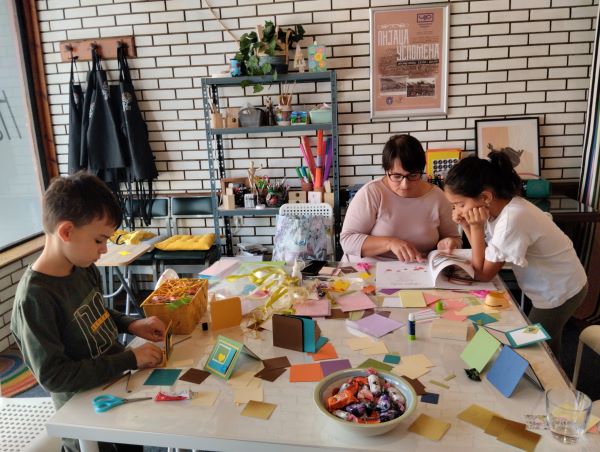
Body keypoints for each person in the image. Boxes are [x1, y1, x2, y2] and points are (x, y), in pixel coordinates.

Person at [11, 172, 166, 452]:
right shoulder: (35, 299)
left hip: (119, 389)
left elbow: (97, 311)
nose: (104, 249)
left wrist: (131, 325)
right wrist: (130, 357)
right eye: (99, 240)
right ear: (66, 232)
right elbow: (55, 376)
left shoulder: (82, 267)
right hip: (86, 418)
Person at [444, 152, 588, 358]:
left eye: (460, 204)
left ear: (485, 197)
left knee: (529, 347)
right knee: (548, 341)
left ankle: (549, 375)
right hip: (554, 286)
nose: (457, 211)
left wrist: (475, 228)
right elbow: (486, 256)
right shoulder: (500, 210)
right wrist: (468, 225)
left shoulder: (512, 219)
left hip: (561, 292)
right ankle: (557, 374)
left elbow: (484, 274)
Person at [340, 134, 461, 262]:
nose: (405, 185)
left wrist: (450, 243)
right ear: (386, 171)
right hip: (368, 269)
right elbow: (347, 241)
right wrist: (390, 243)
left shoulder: (437, 197)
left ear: (422, 170)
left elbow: (455, 239)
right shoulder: (372, 192)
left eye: (412, 175)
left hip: (418, 269)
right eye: (397, 176)